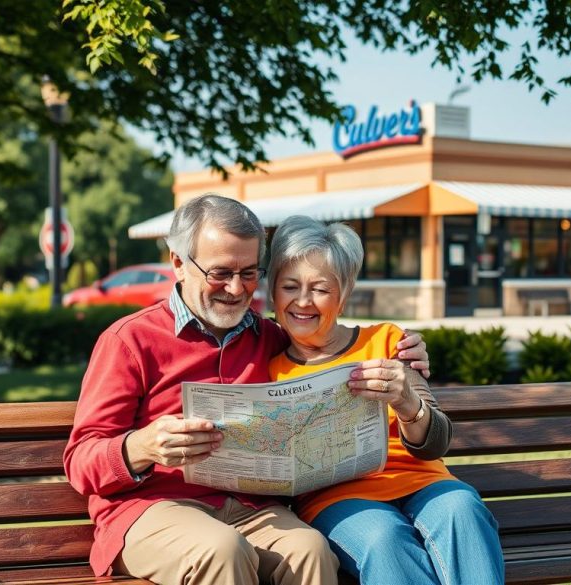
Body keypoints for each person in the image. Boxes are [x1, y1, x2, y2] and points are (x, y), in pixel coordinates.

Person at [63, 195, 430, 585]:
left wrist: (406, 351)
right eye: (220, 272)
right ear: (178, 265)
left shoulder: (270, 337)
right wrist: (142, 446)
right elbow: (80, 460)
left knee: (310, 549)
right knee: (222, 549)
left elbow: (330, 339)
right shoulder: (129, 340)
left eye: (250, 272)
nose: (237, 289)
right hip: (152, 508)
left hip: (252, 507)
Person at [268, 215, 505, 585]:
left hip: (422, 480)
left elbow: (437, 442)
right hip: (335, 500)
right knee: (383, 538)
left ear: (343, 294)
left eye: (320, 289)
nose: (302, 301)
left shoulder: (389, 341)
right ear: (273, 293)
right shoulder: (270, 368)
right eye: (289, 286)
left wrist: (408, 401)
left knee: (462, 508)